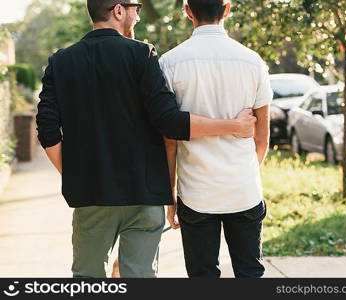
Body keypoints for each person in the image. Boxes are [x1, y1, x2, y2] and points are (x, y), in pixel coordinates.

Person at [36, 0, 257, 278]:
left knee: (87, 277)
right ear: (118, 10)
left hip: (91, 195)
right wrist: (234, 126)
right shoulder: (142, 55)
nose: (138, 16)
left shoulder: (61, 61)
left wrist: (74, 175)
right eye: (135, 9)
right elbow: (169, 122)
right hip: (143, 194)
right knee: (139, 278)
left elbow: (47, 130)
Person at [160, 0, 272, 277]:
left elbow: (170, 140)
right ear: (227, 9)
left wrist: (170, 198)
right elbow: (262, 137)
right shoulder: (252, 60)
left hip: (196, 191)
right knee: (250, 273)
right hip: (243, 189)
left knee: (203, 277)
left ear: (187, 11)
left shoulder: (170, 62)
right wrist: (242, 171)